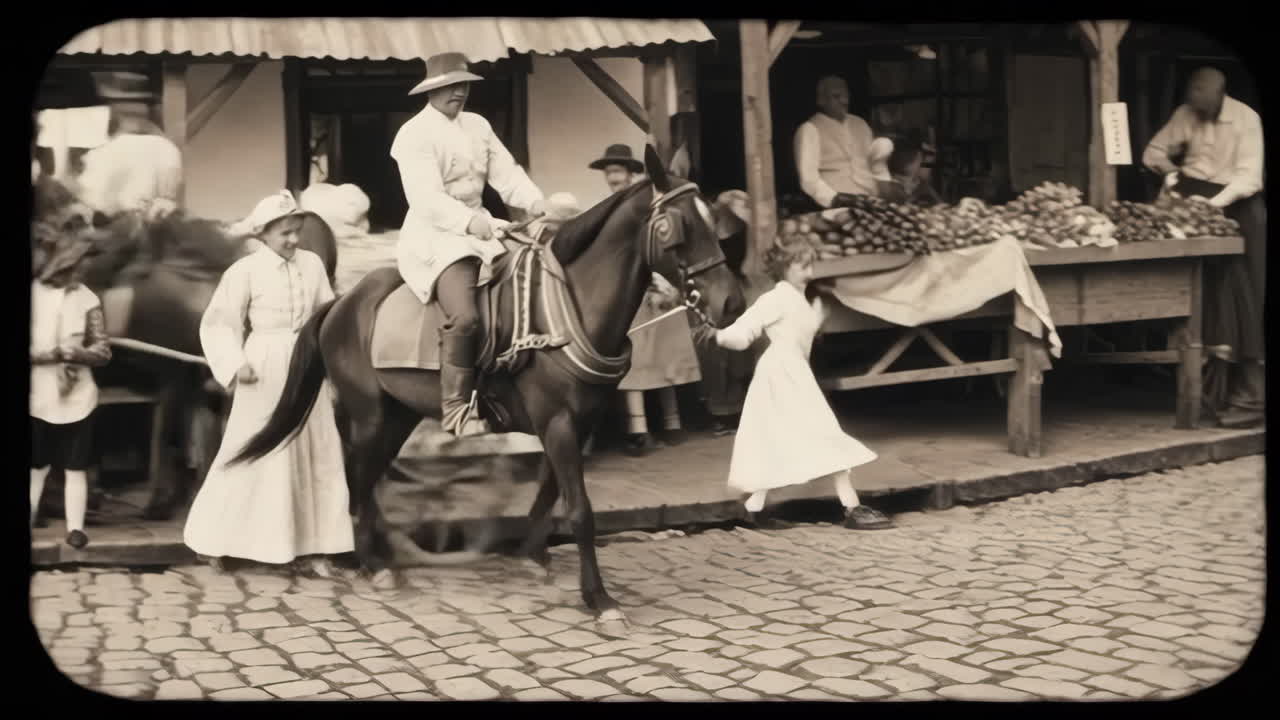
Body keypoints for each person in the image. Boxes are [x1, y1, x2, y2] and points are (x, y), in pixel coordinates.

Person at [184, 191, 353, 577]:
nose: (293, 240)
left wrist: (330, 358)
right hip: (264, 364)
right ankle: (218, 540)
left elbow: (325, 314)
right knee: (255, 447)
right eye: (284, 234)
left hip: (306, 363)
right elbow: (218, 322)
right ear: (263, 235)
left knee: (316, 450)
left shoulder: (311, 265)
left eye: (296, 232)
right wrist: (235, 363)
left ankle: (317, 544)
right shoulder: (244, 272)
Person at [391, 53, 546, 437]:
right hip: (436, 236)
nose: (459, 92)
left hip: (481, 229)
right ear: (432, 89)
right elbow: (426, 199)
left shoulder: (478, 125)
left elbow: (507, 174)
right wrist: (471, 222)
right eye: (450, 85)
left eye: (464, 85)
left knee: (536, 279)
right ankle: (456, 407)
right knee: (465, 318)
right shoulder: (413, 134)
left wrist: (537, 203)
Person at [697, 237, 894, 531]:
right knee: (824, 430)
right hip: (780, 373)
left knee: (777, 438)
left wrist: (816, 319)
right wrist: (717, 335)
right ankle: (851, 507)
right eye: (799, 261)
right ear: (784, 267)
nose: (807, 265)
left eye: (808, 260)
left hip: (794, 372)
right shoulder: (775, 298)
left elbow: (802, 340)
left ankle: (754, 508)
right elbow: (743, 333)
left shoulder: (800, 300)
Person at [1142, 68, 1264, 429]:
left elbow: (1249, 177)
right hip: (1193, 199)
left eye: (1202, 100)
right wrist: (1169, 172)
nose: (1196, 107)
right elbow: (1154, 151)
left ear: (1219, 94)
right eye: (1191, 99)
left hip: (1238, 203)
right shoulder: (1185, 114)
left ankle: (1252, 395)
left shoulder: (1246, 119)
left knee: (1245, 294)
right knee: (1204, 294)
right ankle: (1211, 393)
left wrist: (1214, 206)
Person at [590, 144, 701, 455]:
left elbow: (660, 247)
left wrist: (664, 282)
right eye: (609, 172)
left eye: (618, 171)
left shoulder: (647, 206)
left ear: (631, 174)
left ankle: (672, 420)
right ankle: (637, 428)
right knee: (635, 357)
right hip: (625, 291)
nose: (613, 177)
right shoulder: (603, 209)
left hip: (657, 287)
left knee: (666, 351)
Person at [30, 223, 112, 548]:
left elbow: (102, 349)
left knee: (76, 464)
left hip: (77, 395)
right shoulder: (35, 294)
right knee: (36, 463)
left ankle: (75, 528)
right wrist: (50, 354)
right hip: (37, 392)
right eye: (77, 263)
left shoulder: (87, 299)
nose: (83, 269)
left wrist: (79, 353)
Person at [75, 72, 183, 225]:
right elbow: (171, 199)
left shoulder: (103, 154)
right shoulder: (169, 149)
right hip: (159, 238)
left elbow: (93, 202)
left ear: (116, 110)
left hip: (118, 239)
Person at [794, 76, 879, 209]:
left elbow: (874, 162)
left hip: (871, 199)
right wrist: (835, 199)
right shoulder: (809, 129)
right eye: (836, 96)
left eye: (846, 95)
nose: (844, 101)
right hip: (836, 205)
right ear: (821, 100)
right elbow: (809, 179)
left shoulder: (860, 124)